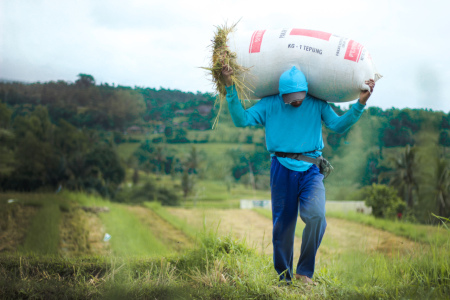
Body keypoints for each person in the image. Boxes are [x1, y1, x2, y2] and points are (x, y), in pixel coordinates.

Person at [221, 64, 375, 285]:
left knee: (317, 218)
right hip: (281, 168)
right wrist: (230, 88)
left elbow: (338, 125)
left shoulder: (317, 104)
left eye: (300, 95)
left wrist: (360, 103)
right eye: (291, 97)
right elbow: (241, 120)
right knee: (282, 227)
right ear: (281, 94)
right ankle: (284, 278)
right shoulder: (269, 104)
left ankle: (304, 272)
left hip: (311, 169)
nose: (296, 100)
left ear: (306, 90)